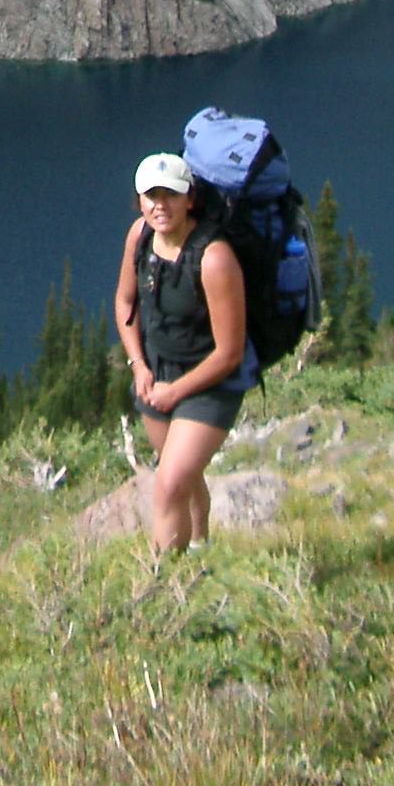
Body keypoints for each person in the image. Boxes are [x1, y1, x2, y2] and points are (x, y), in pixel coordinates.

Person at [114, 150, 253, 553]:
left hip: (210, 383)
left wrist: (175, 391)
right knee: (184, 480)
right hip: (156, 375)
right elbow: (125, 303)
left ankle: (165, 578)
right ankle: (200, 549)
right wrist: (138, 366)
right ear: (140, 200)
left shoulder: (213, 258)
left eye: (171, 195)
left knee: (169, 485)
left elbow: (229, 353)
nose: (160, 205)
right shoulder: (140, 236)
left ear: (190, 198)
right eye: (151, 196)